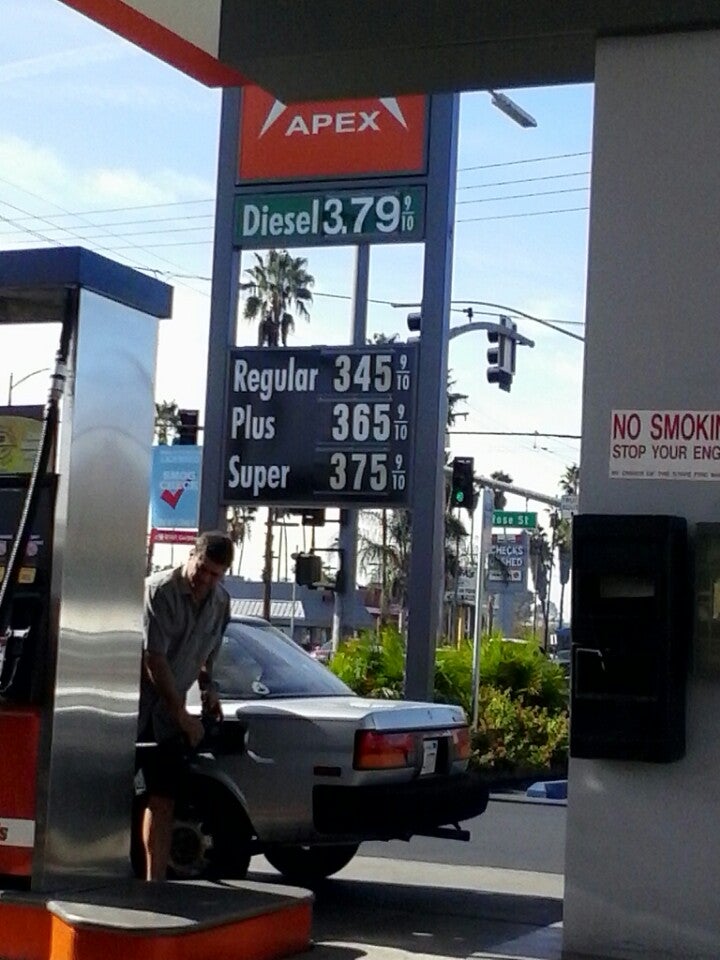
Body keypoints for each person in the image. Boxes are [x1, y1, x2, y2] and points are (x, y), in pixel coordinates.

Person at [137, 529, 234, 881]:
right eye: (202, 568)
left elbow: (209, 653)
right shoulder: (160, 591)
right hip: (132, 712)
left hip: (168, 720)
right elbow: (154, 659)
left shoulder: (221, 603)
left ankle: (155, 884)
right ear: (191, 555)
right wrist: (181, 714)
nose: (205, 579)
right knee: (109, 798)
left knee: (163, 799)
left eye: (215, 574)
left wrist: (210, 689)